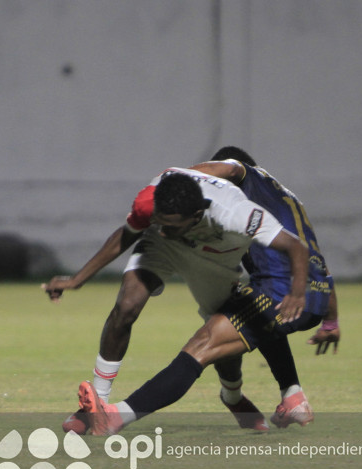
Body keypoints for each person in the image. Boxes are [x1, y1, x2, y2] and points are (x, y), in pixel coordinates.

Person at [76, 153, 340, 435]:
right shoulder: (286, 199)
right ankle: (292, 396)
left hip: (282, 291)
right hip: (317, 293)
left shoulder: (240, 192)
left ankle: (116, 417)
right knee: (251, 321)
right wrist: (331, 321)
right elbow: (314, 262)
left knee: (201, 347)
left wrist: (296, 294)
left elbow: (210, 174)